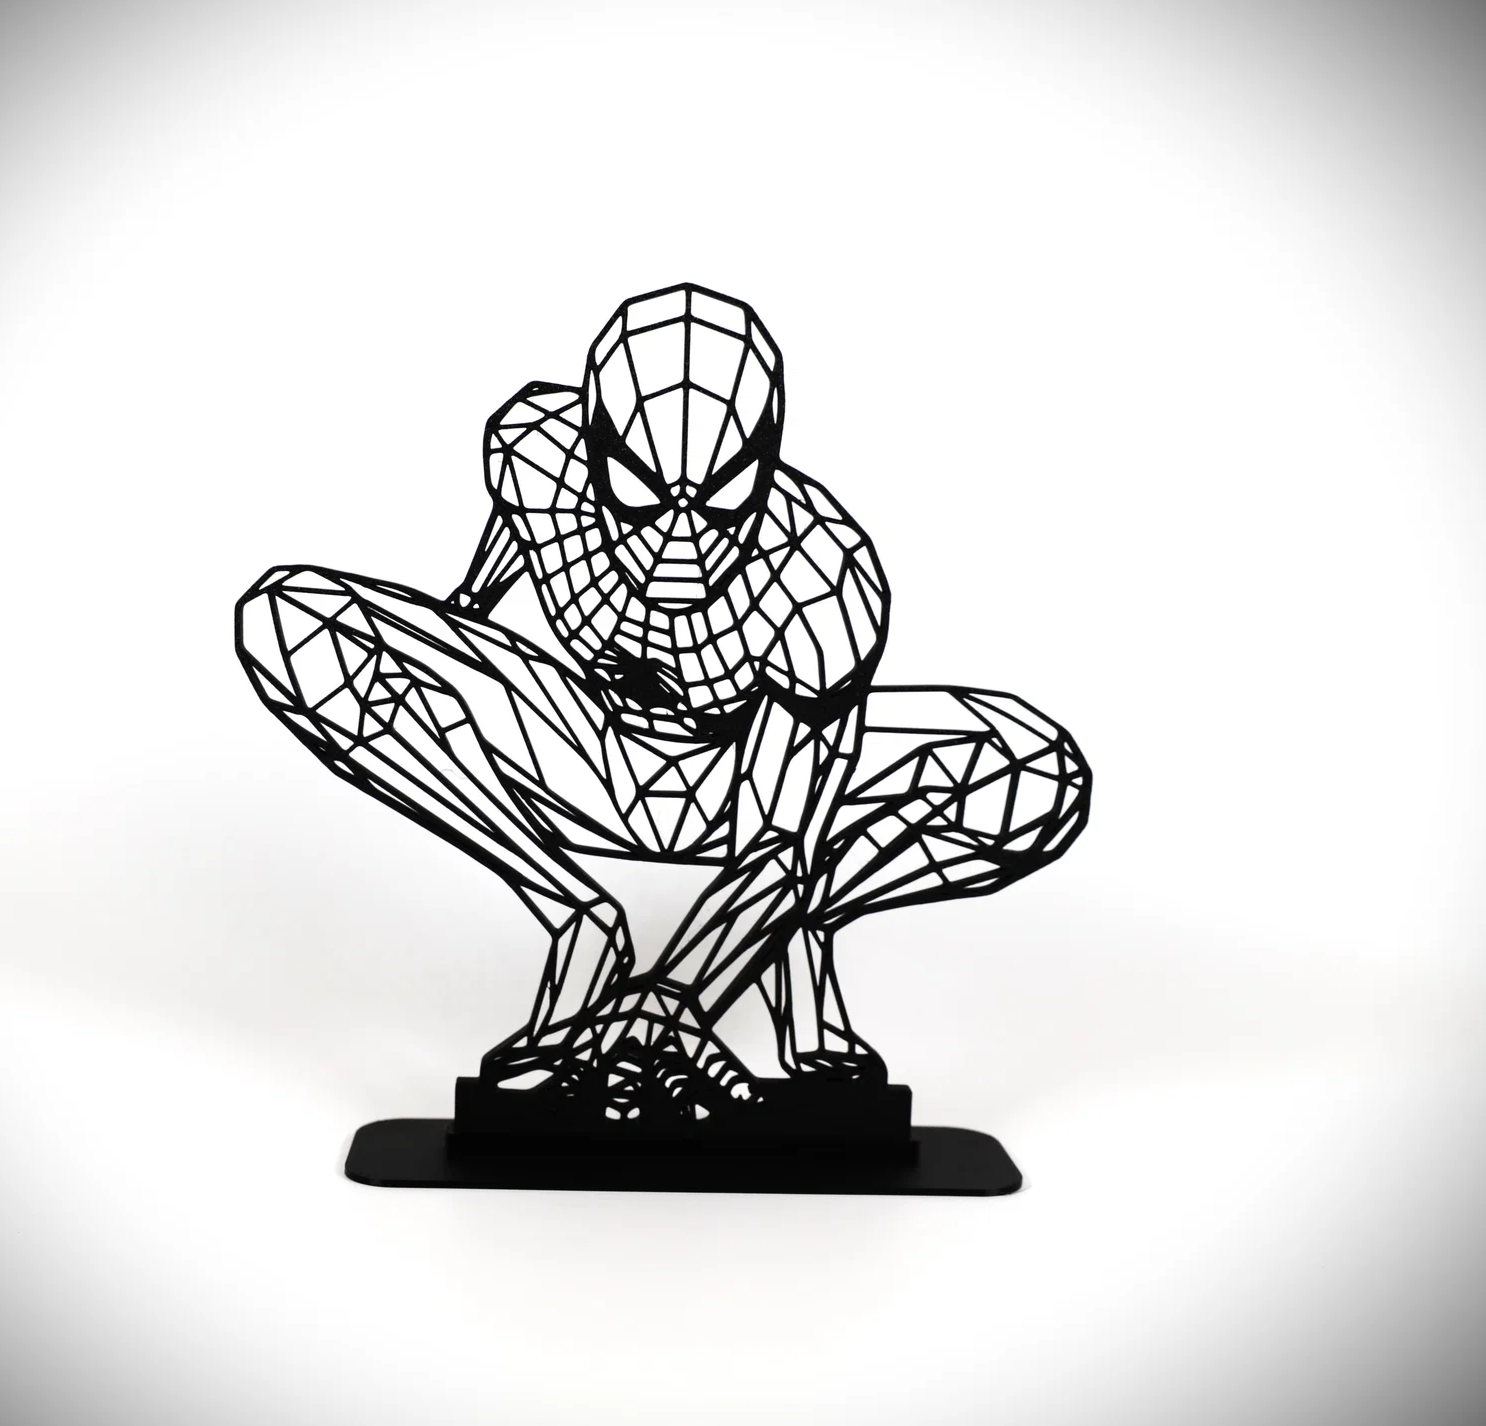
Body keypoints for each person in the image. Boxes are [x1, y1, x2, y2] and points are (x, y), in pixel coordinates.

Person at [236, 283, 1089, 1119]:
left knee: (1031, 770)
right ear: (592, 440)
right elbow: (483, 585)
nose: (680, 538)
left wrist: (676, 998)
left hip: (740, 774)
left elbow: (782, 837)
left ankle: (796, 945)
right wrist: (456, 655)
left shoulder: (823, 582)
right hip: (574, 741)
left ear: (767, 460)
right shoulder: (533, 448)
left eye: (723, 500)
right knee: (294, 618)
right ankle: (574, 912)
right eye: (640, 493)